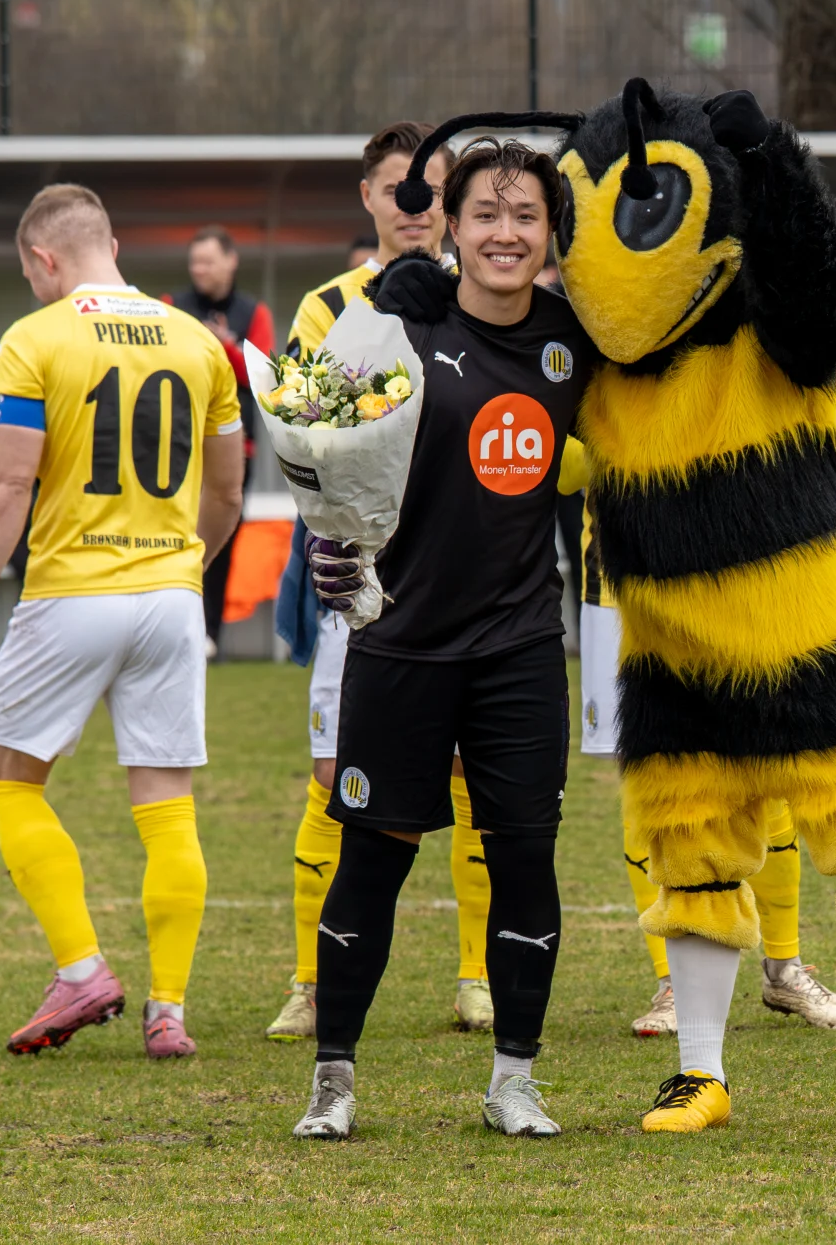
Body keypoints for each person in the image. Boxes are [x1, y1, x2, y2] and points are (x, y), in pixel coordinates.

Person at [290, 138, 590, 1141]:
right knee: (370, 862)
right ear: (451, 226)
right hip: (399, 644)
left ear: (550, 233)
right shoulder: (398, 327)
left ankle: (513, 1081)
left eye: (525, 217)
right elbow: (320, 455)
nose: (505, 234)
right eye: (485, 216)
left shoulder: (573, 340)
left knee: (524, 858)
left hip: (516, 651)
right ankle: (332, 1080)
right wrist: (330, 547)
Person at [0, 184, 246, 1060]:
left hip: (72, 593)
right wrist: (188, 565)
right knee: (167, 803)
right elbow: (228, 490)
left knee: (6, 777)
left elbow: (8, 484)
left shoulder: (35, 337)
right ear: (111, 243)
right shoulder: (201, 342)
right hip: (169, 595)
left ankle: (81, 970)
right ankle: (170, 1009)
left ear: (43, 260)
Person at [264, 121, 498, 1042]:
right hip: (362, 581)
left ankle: (478, 975)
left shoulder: (495, 296)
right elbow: (310, 428)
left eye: (433, 189)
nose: (418, 206)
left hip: (472, 575)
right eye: (399, 188)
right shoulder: (328, 305)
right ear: (368, 197)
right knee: (335, 779)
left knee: (477, 777)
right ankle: (313, 982)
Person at [567, 454, 836, 1038]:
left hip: (745, 571)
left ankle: (784, 967)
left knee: (767, 760)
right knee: (652, 773)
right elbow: (564, 464)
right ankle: (673, 981)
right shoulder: (595, 360)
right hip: (629, 583)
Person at [164, 225, 275, 655]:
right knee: (177, 531)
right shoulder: (173, 306)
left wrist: (224, 345)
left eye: (208, 261)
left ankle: (211, 635)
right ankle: (175, 626)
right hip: (178, 441)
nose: (200, 270)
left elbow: (260, 375)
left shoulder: (254, 312)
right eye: (194, 262)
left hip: (235, 445)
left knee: (221, 536)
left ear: (231, 261)